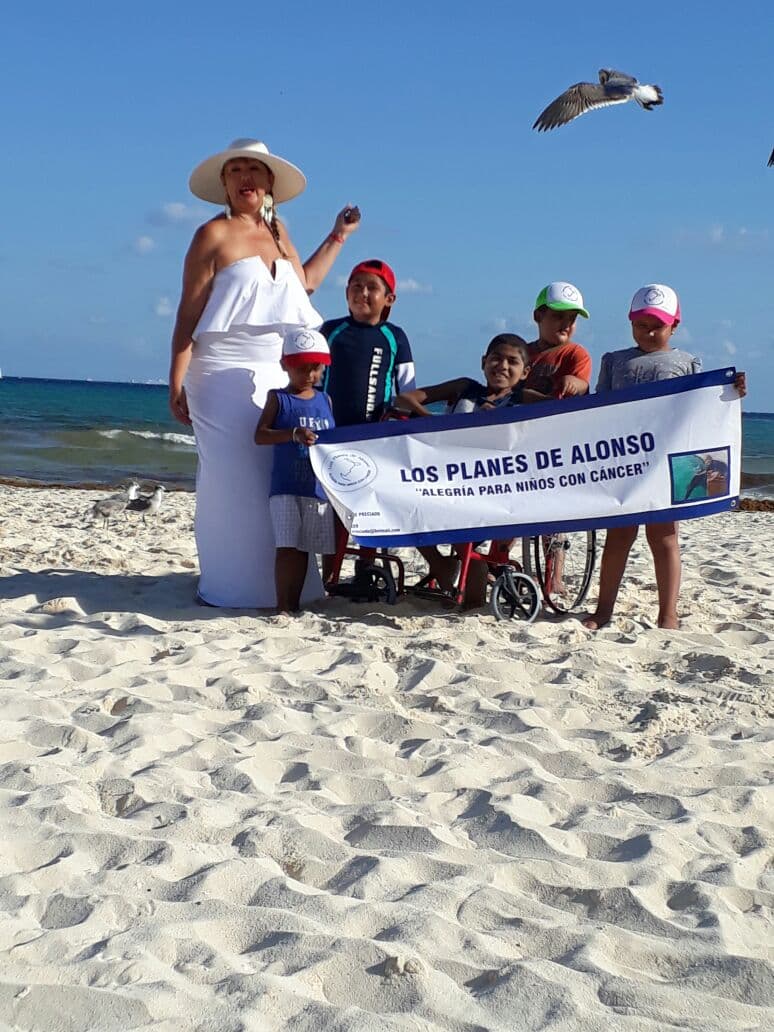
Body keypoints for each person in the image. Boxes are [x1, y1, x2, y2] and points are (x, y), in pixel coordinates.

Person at [168, 138, 359, 607]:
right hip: (219, 370)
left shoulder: (279, 230)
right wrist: (175, 379)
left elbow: (306, 284)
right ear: (225, 183)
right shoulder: (210, 235)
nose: (245, 177)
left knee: (279, 480)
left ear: (269, 181)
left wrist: (339, 235)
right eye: (235, 170)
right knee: (232, 482)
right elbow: (188, 314)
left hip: (277, 370)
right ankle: (227, 585)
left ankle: (288, 590)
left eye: (254, 169)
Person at [583, 284, 747, 631]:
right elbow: (598, 411)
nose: (649, 331)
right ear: (630, 324)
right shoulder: (614, 361)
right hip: (624, 465)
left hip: (666, 465)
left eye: (657, 324)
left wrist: (732, 391)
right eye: (641, 324)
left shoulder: (686, 363)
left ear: (674, 324)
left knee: (664, 538)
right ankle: (604, 609)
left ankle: (667, 614)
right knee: (618, 538)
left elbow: (704, 409)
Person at [394, 334, 531, 604]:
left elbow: (562, 412)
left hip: (492, 487)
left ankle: (470, 570)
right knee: (400, 500)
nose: (502, 366)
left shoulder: (522, 398)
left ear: (525, 372)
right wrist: (436, 424)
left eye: (512, 361)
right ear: (483, 362)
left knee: (459, 512)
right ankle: (441, 564)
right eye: (496, 358)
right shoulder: (465, 388)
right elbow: (404, 400)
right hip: (445, 479)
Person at [255, 329, 335, 613]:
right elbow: (260, 435)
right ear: (285, 365)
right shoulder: (278, 399)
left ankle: (295, 603)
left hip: (316, 488)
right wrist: (292, 434)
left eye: (315, 368)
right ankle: (283, 604)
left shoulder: (325, 401)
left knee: (305, 548)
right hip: (286, 486)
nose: (309, 375)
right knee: (287, 546)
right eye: (301, 368)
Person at [321, 259, 416, 425]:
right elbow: (313, 381)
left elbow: (408, 392)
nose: (363, 293)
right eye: (357, 286)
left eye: (372, 288)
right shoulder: (330, 331)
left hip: (375, 434)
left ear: (389, 299)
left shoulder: (395, 336)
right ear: (346, 293)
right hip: (330, 431)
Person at [525, 282, 592, 400]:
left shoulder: (575, 353)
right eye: (558, 316)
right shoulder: (521, 353)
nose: (566, 324)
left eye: (572, 318)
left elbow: (583, 385)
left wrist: (574, 383)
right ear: (538, 316)